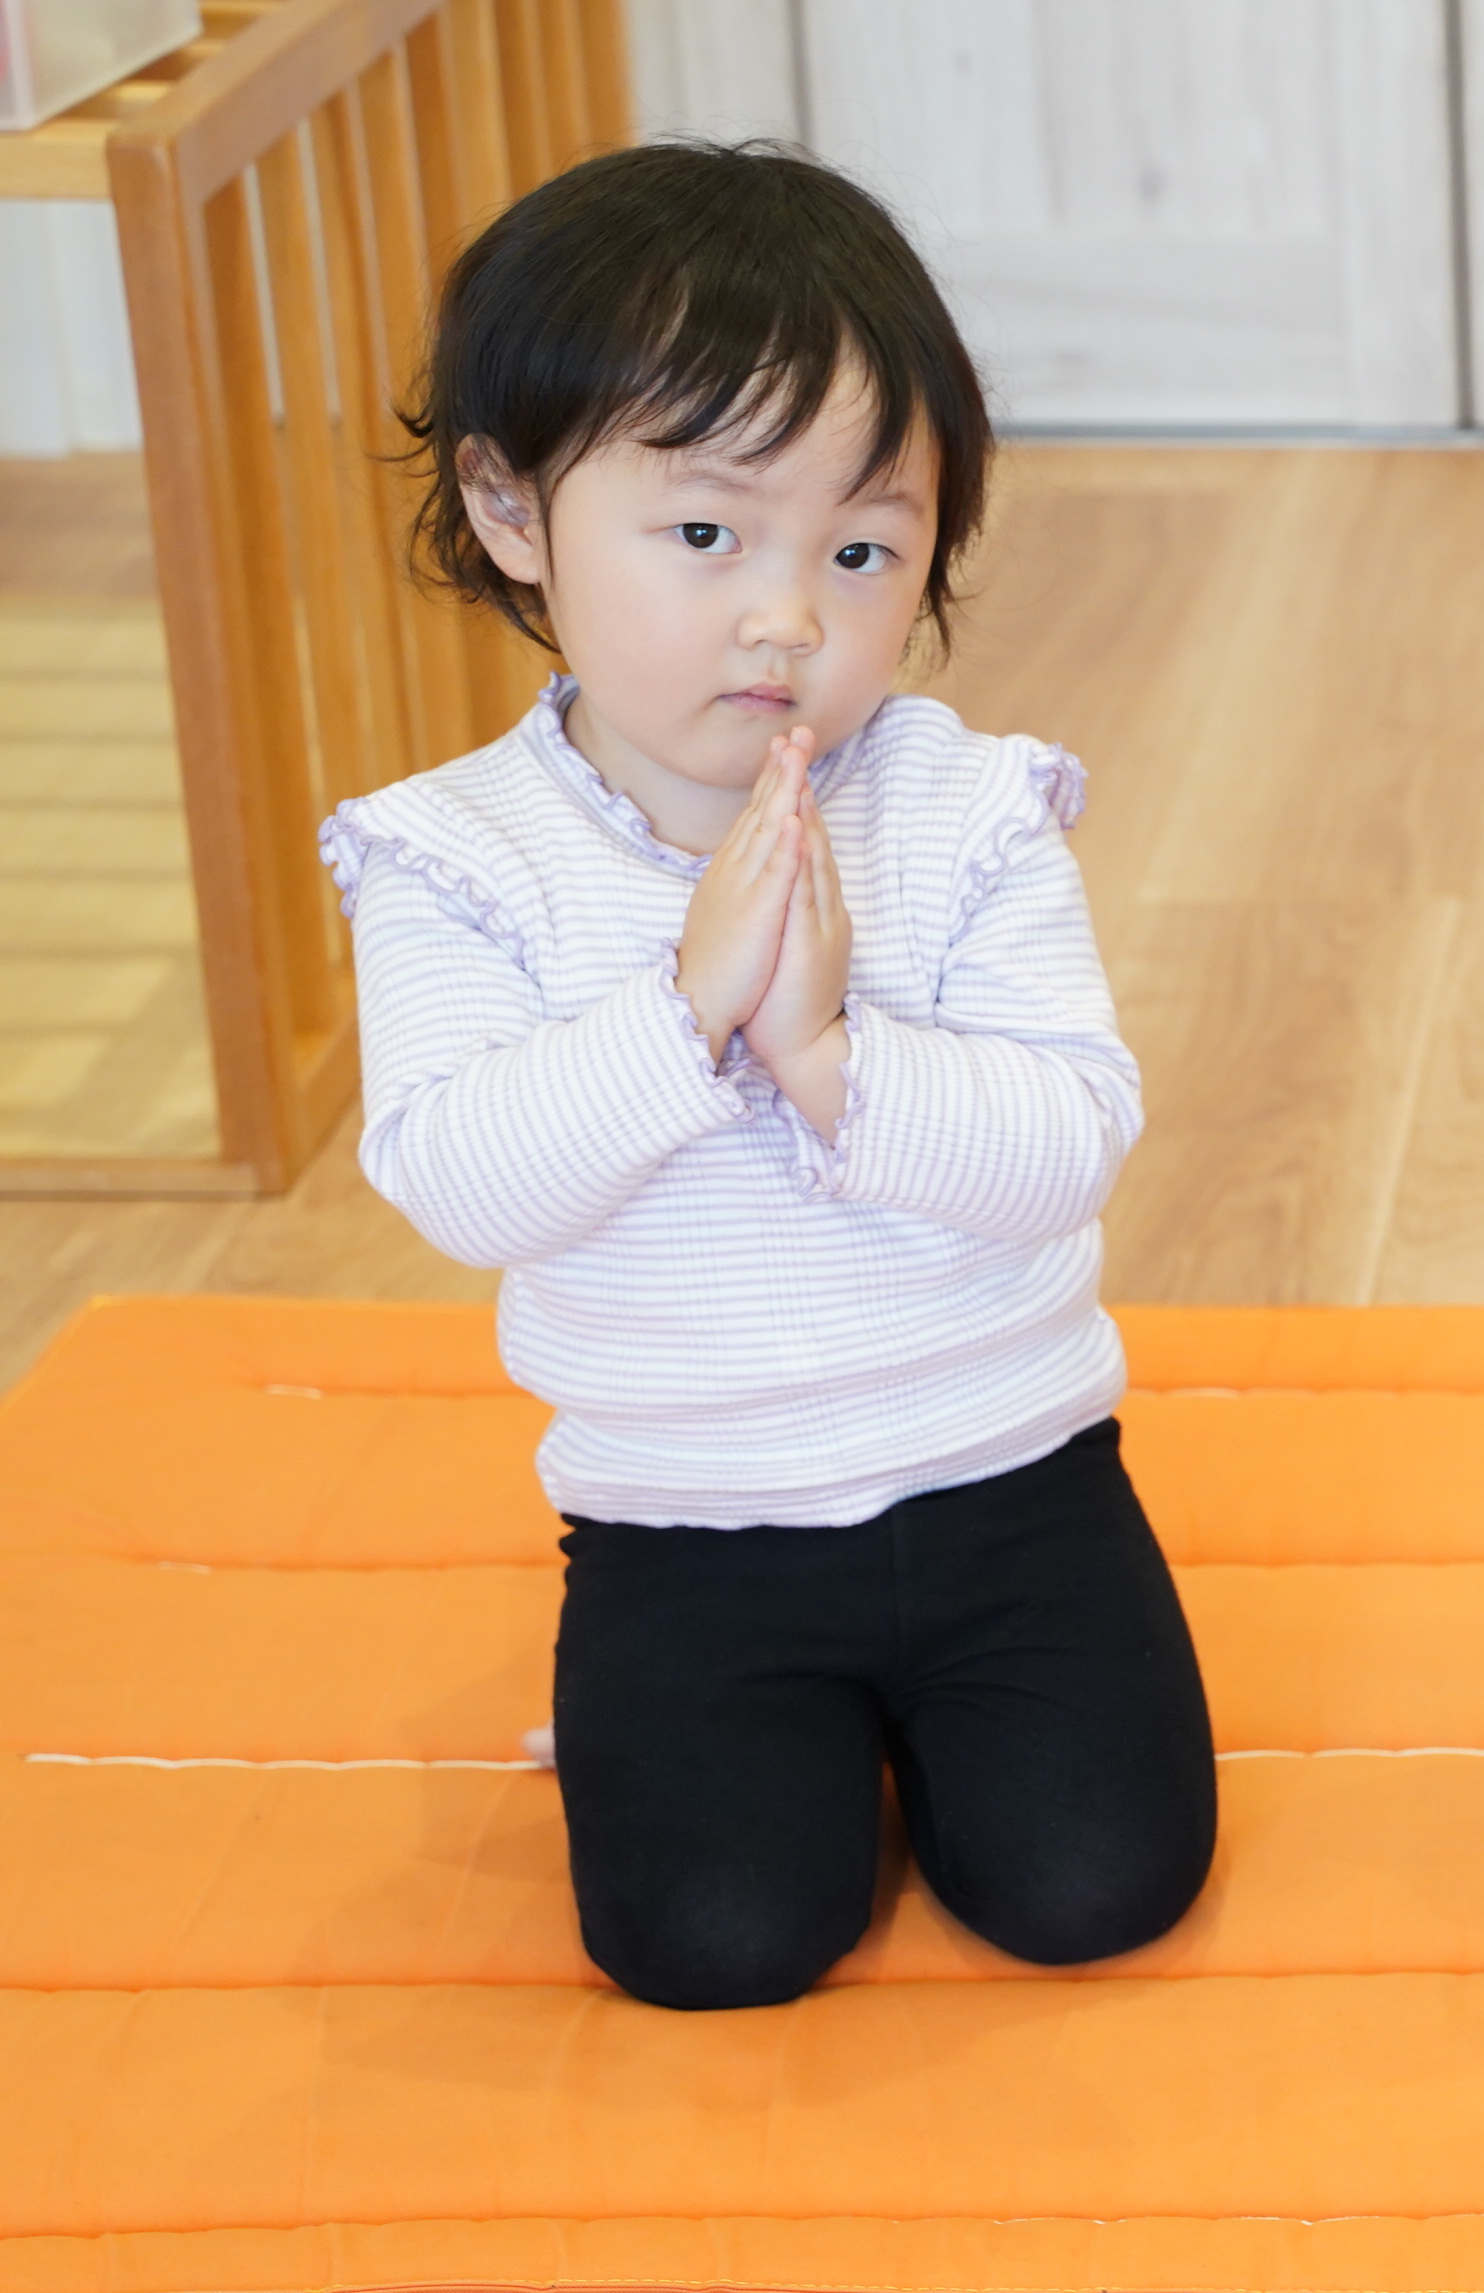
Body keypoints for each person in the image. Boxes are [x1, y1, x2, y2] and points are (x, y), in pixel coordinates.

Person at [325, 143, 1213, 2011]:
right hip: (685, 1524)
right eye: (708, 535)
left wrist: (822, 1054)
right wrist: (684, 1014)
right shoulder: (451, 854)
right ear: (509, 509)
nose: (790, 615)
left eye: (862, 550)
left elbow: (1070, 1143)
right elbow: (463, 1183)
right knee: (712, 1943)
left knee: (1099, 1887)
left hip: (1012, 1481)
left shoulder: (966, 804)